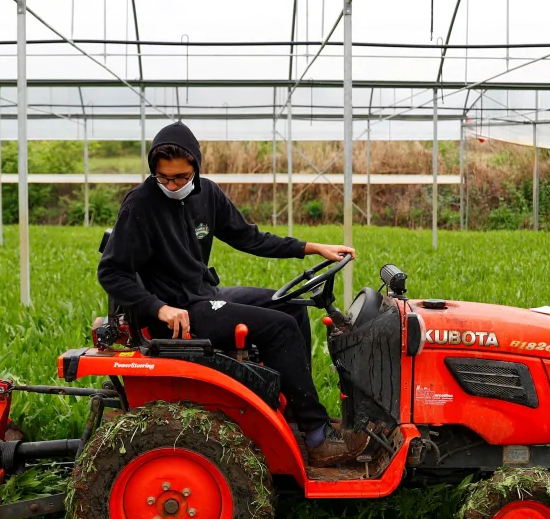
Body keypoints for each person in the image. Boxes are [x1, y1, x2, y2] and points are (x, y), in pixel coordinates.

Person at [97, 122, 371, 467]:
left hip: (202, 294)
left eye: (181, 177)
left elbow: (249, 237)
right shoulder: (140, 205)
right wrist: (160, 308)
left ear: (196, 166)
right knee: (280, 327)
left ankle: (296, 413)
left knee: (290, 307)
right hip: (175, 313)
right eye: (163, 177)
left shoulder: (207, 194)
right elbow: (111, 271)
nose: (172, 185)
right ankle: (317, 436)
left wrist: (311, 247)